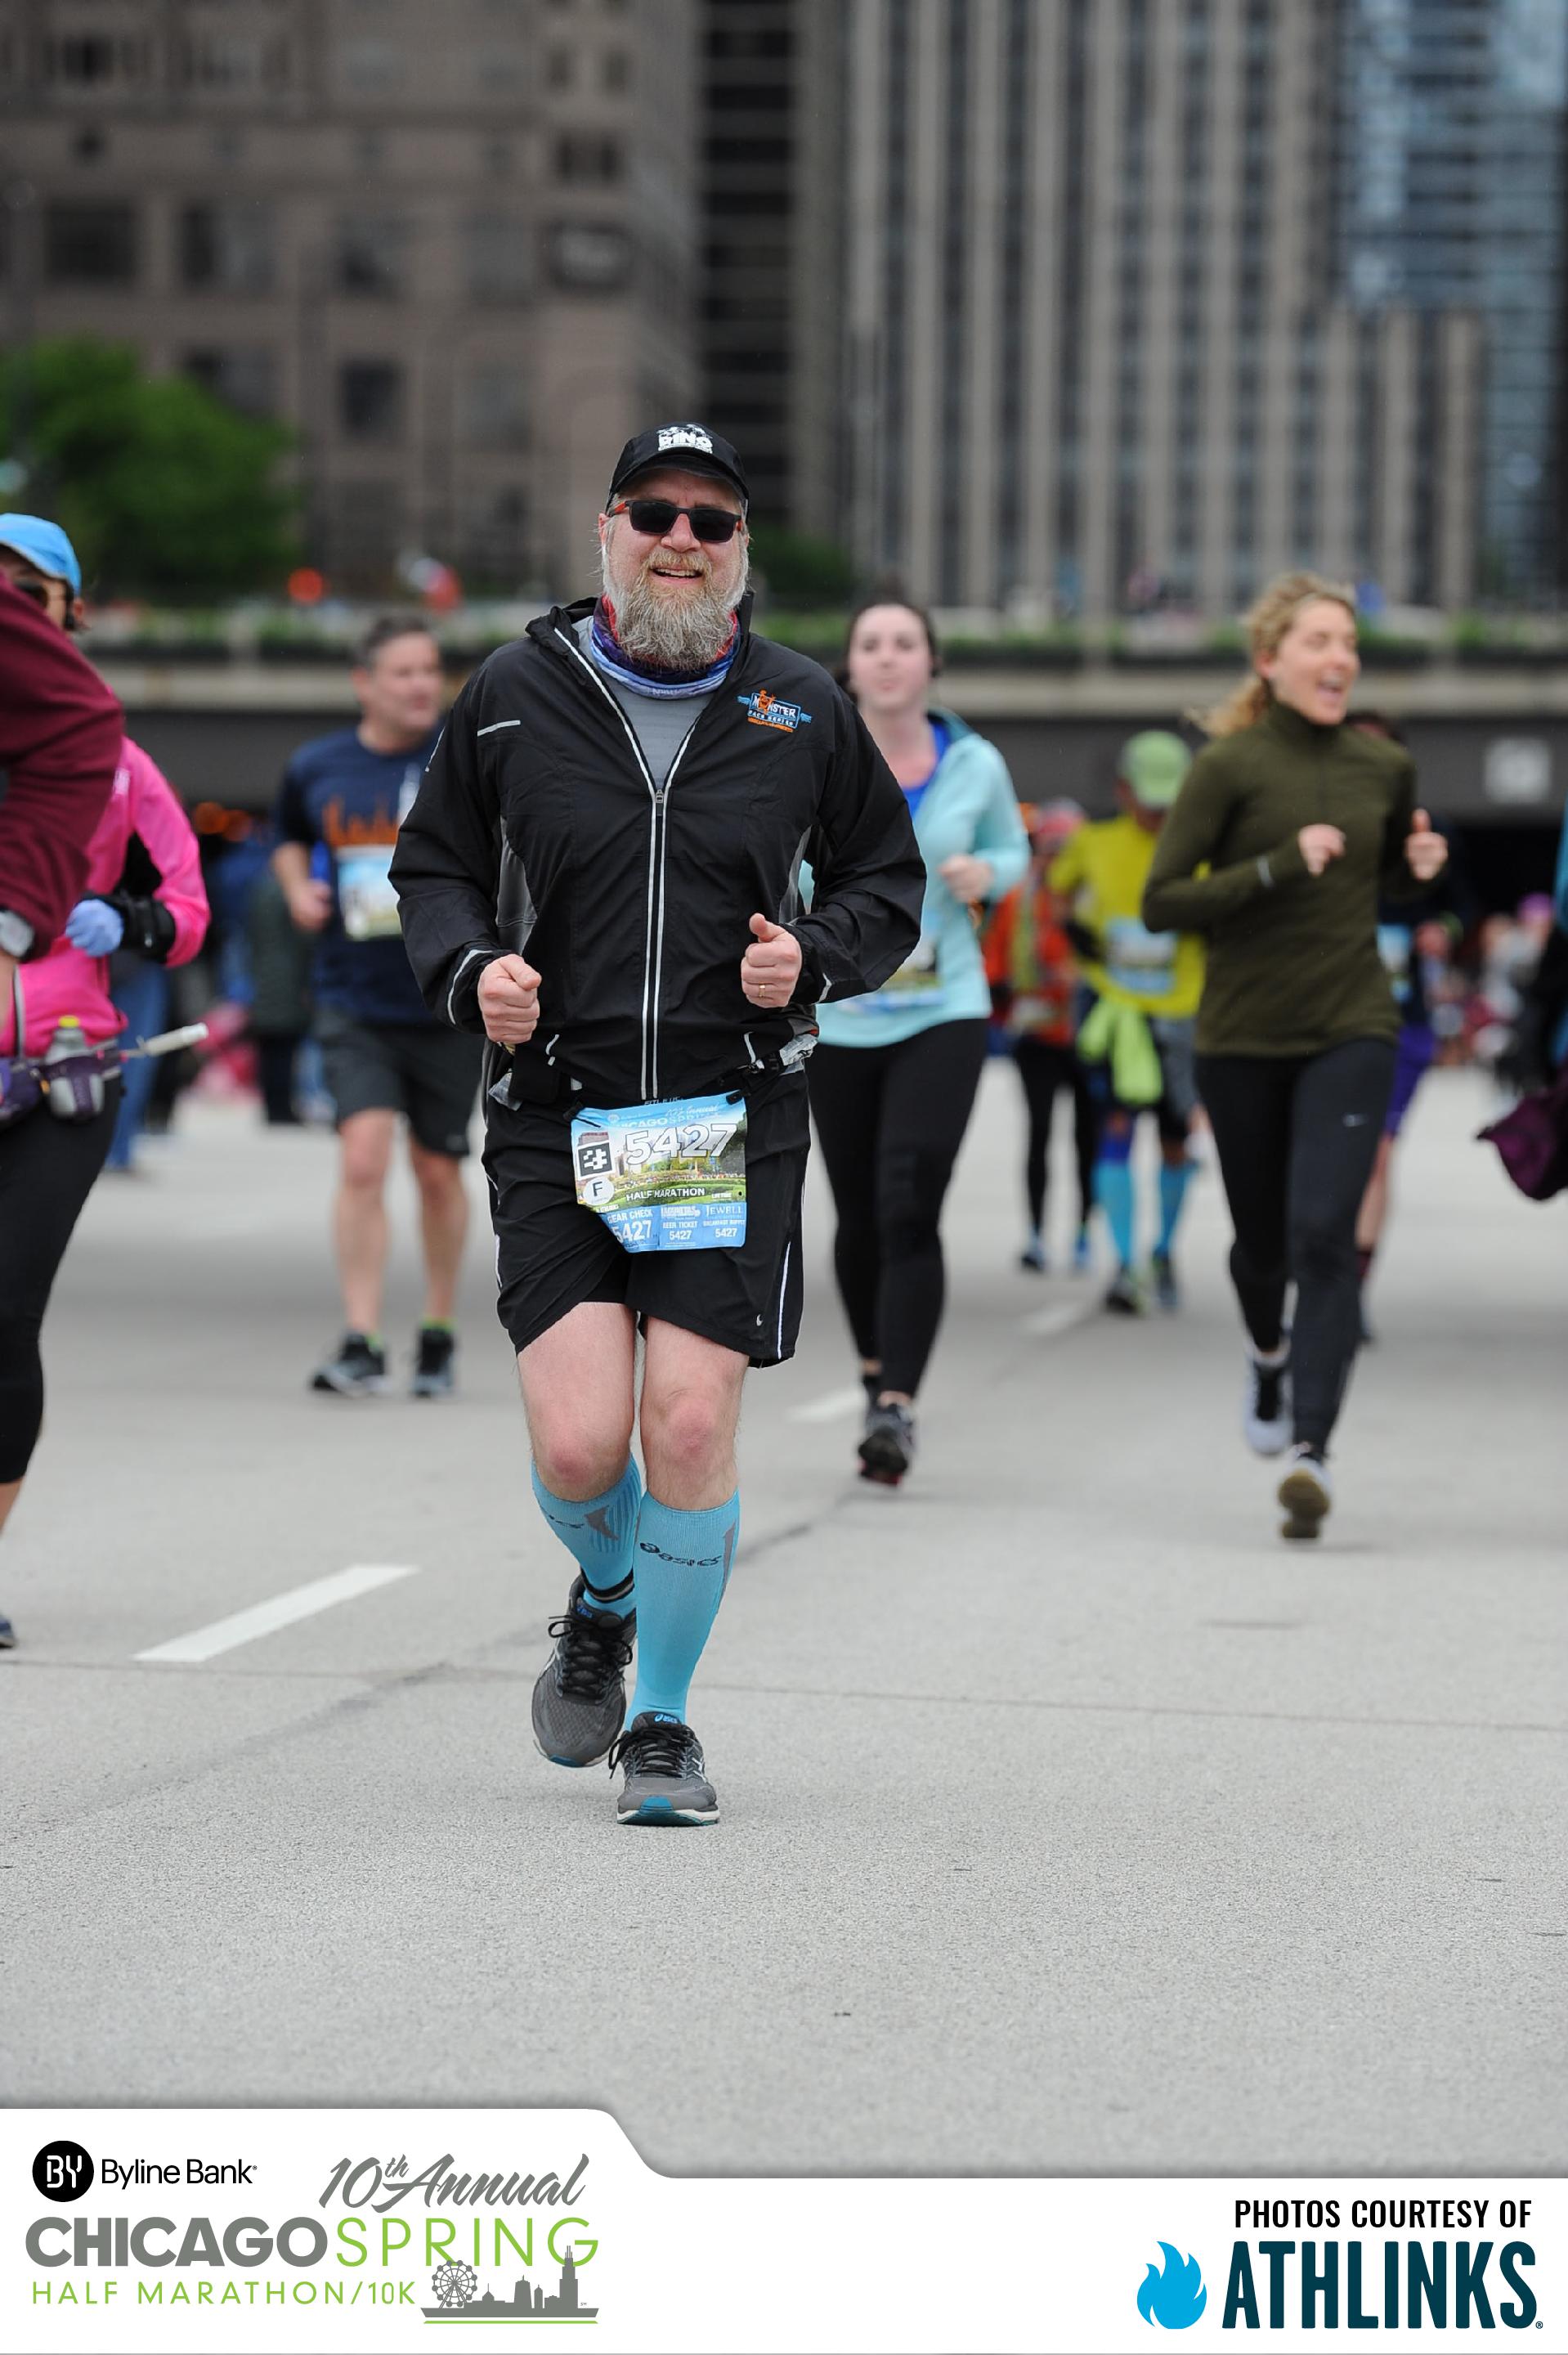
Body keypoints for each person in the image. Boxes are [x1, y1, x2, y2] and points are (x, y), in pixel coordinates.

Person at [391, 422, 922, 1823]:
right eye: (653, 513)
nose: (680, 538)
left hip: (723, 1114)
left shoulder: (800, 706)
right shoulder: (512, 692)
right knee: (578, 1450)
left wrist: (808, 956)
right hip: (554, 1114)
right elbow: (432, 865)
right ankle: (606, 1598)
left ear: (740, 552)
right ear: (607, 532)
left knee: (686, 1426)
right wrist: (471, 972)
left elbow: (885, 883)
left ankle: (666, 1728)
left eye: (711, 520)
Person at [1143, 572, 1447, 1541]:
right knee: (1261, 1247)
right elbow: (1162, 902)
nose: (1339, 660)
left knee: (1325, 1235)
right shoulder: (1228, 768)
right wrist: (1275, 864)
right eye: (1319, 642)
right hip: (1241, 1037)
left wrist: (1417, 869)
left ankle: (1311, 1450)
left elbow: (1387, 879)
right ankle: (1268, 1356)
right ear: (1271, 660)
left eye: (1348, 644)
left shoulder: (1380, 766)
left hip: (1353, 1023)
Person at [0, 515, 208, 1647]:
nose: (13, 606)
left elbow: (187, 914)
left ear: (72, 613)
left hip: (63, 1073)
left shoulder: (114, 761)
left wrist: (122, 917)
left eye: (33, 591)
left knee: (2, 1314)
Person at [803, 599, 1026, 1485]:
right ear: (849, 666)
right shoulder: (813, 754)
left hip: (944, 1009)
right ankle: (871, 1375)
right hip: (843, 1012)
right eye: (871, 645)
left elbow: (1013, 852)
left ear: (931, 665)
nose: (889, 659)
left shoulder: (975, 763)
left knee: (907, 1197)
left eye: (906, 644)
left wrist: (988, 872)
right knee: (857, 1211)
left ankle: (898, 1403)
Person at [273, 617, 482, 1397]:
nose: (421, 685)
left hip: (446, 997)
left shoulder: (462, 760)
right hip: (351, 995)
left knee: (436, 1168)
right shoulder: (318, 764)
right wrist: (299, 890)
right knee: (362, 1157)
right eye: (402, 672)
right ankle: (360, 1335)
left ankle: (436, 1333)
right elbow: (290, 834)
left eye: (430, 670)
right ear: (364, 682)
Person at [1049, 733, 1205, 1314]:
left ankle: (1163, 1250)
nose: (1159, 812)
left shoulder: (1204, 849)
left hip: (1182, 1015)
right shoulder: (1094, 841)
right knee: (1114, 1129)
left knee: (1174, 1139)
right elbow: (1055, 890)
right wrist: (1074, 933)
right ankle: (1124, 1262)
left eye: (1171, 801)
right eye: (1149, 799)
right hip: (1115, 1012)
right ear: (1122, 790)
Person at [1344, 711, 1471, 1333]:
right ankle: (1318, 1268)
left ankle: (1352, 1287)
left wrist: (1438, 932)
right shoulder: (1308, 828)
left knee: (1376, 1153)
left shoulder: (1428, 832)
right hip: (1319, 1018)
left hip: (1400, 1021)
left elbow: (1462, 912)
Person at [983, 797, 1097, 1274]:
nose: (1056, 860)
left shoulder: (1098, 898)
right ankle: (1035, 1234)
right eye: (1049, 848)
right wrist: (1013, 990)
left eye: (1067, 850)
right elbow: (994, 965)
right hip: (1036, 1036)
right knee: (1040, 1134)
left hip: (1091, 1035)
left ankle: (1083, 1234)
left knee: (1088, 1139)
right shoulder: (1018, 898)